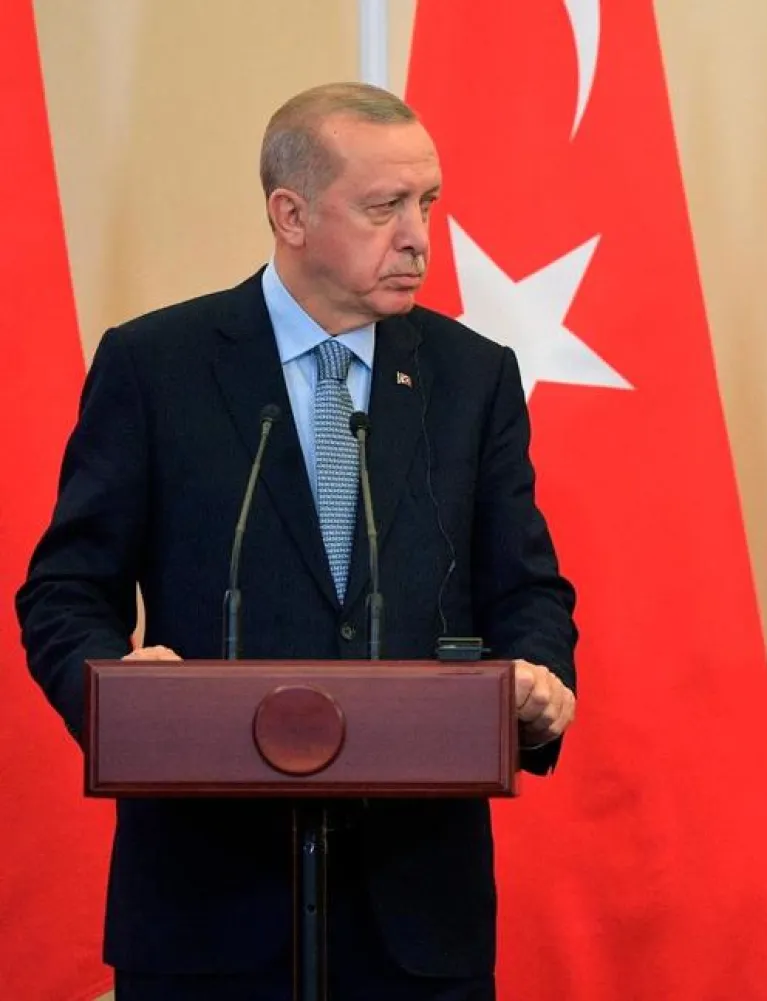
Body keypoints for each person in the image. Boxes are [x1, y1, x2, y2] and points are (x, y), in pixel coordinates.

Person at [15, 82, 578, 1000]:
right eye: (384, 206)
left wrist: (539, 677)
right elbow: (65, 589)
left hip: (413, 912)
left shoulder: (471, 378)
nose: (419, 237)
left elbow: (527, 590)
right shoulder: (157, 365)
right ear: (292, 213)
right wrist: (118, 692)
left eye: (427, 203)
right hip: (207, 900)